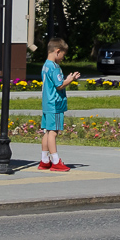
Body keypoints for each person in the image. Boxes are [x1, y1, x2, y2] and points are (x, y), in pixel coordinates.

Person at [39, 37, 80, 172]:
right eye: (63, 55)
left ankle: (45, 160)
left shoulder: (45, 65)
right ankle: (56, 161)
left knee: (47, 131)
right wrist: (70, 79)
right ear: (57, 51)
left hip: (46, 103)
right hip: (55, 104)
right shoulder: (55, 67)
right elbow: (60, 85)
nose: (63, 58)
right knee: (53, 133)